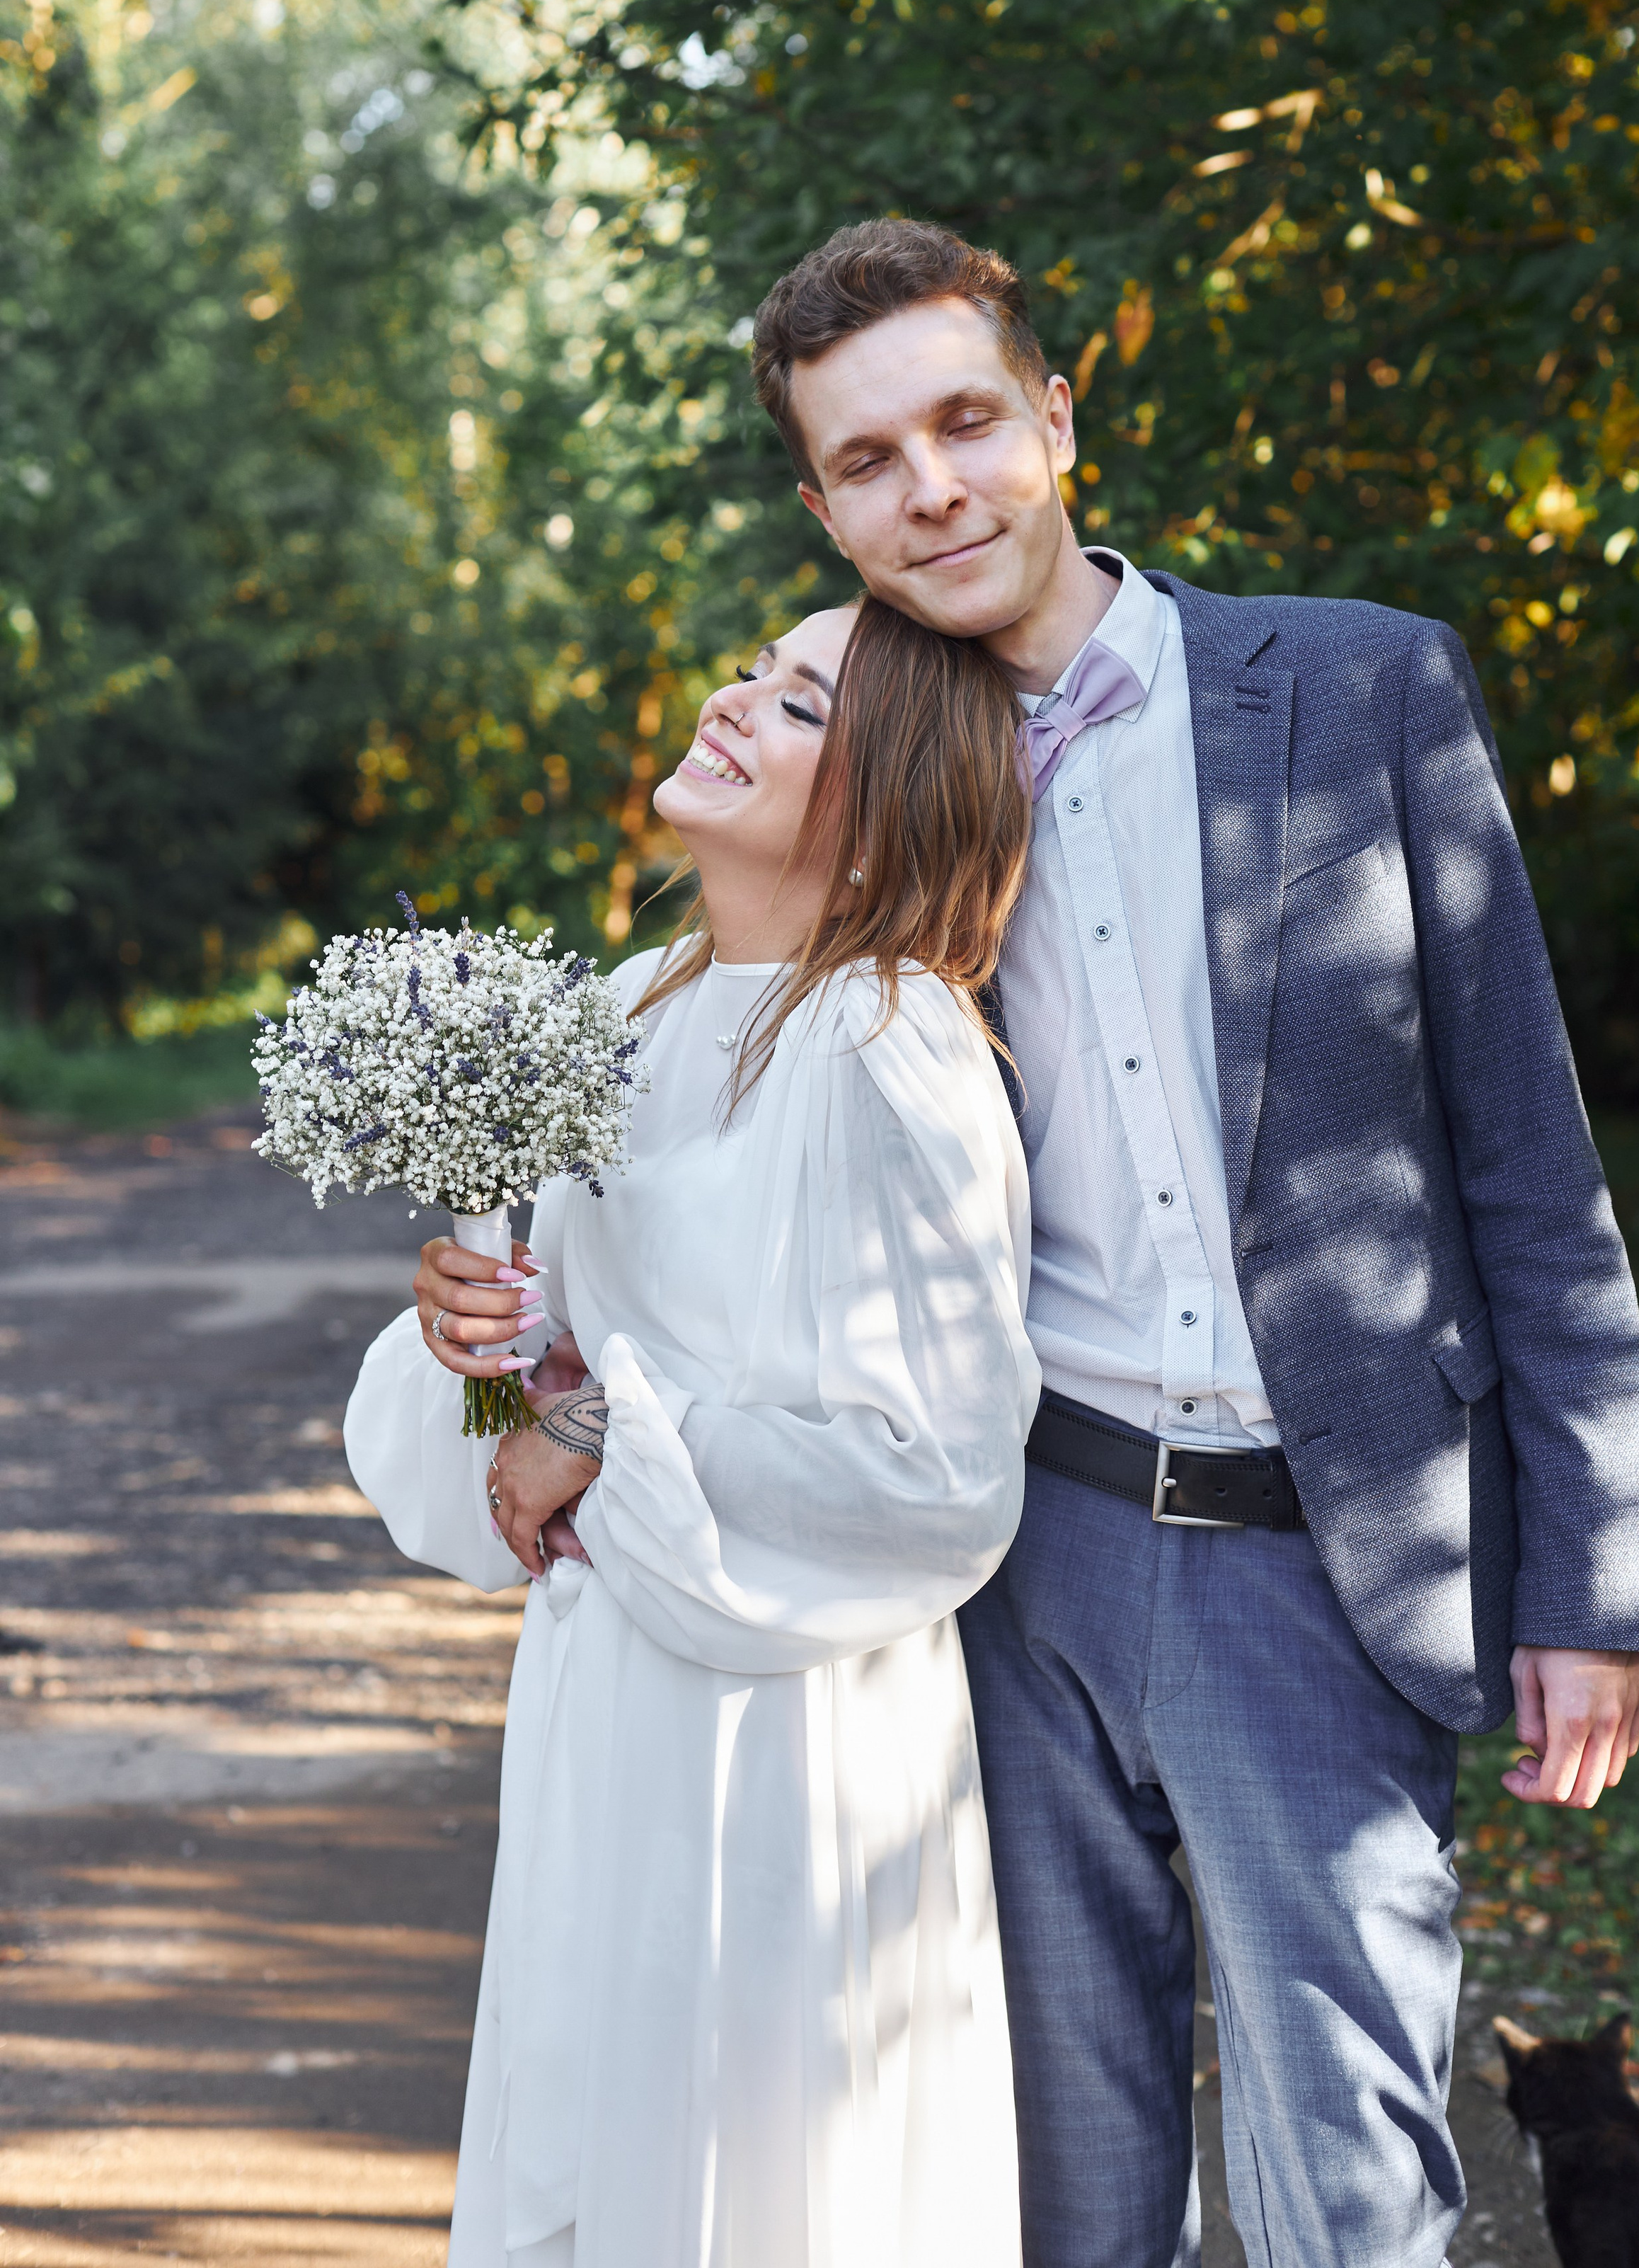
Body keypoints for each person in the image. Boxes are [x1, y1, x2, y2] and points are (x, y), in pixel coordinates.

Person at [743, 219, 1639, 2267]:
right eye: (870, 463)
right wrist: (542, 1347)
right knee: (1065, 2180)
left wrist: (1595, 1572)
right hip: (1013, 1554)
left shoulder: (1359, 686)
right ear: (823, 508)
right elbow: (761, 1134)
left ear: (1058, 414)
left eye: (968, 423)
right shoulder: (858, 784)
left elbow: (1529, 1154)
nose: (936, 491)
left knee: (1347, 2171)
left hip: (1322, 1558)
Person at [356, 595, 1041, 2268]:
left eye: (802, 706)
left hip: (787, 1751)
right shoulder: (632, 1011)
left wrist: (592, 1422)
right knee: (587, 2157)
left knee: (753, 2190)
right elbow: (544, 1380)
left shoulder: (892, 1048)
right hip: (607, 1701)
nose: (738, 699)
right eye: (758, 670)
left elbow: (940, 1480)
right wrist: (478, 1339)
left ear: (884, 804)